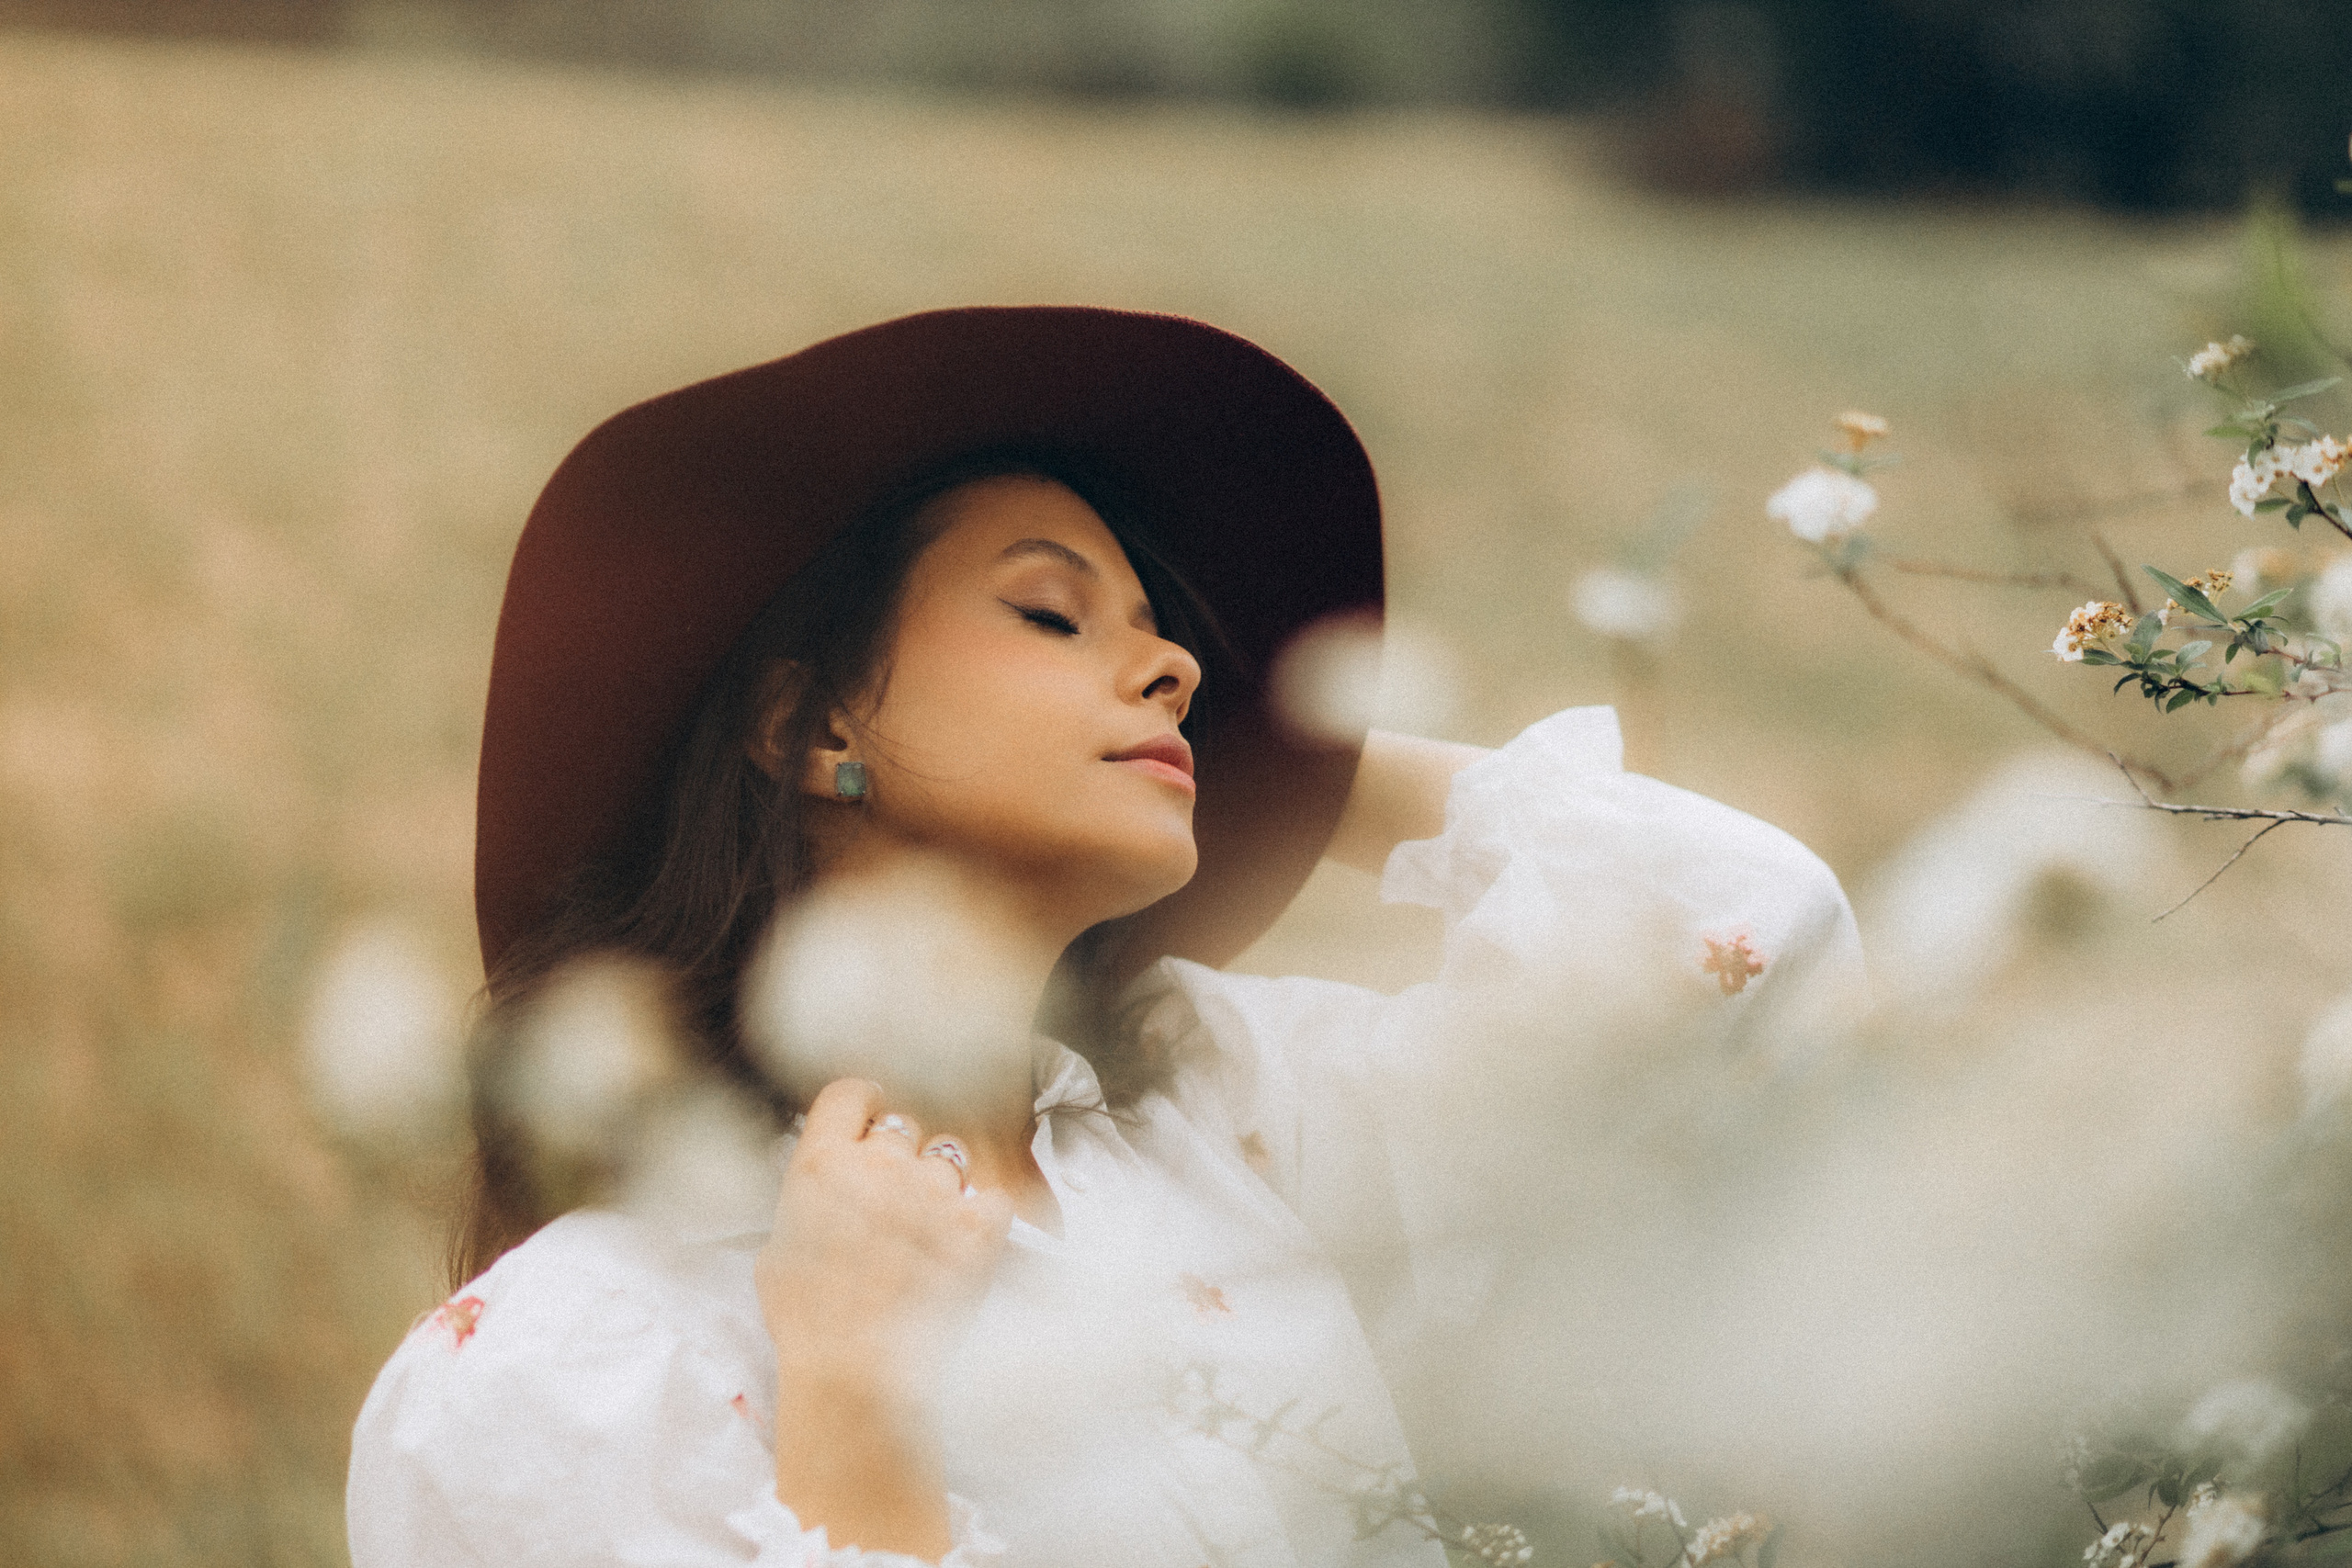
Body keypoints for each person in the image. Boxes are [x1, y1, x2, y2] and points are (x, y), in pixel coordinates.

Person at [346, 306, 1863, 1567]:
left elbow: (1741, 942)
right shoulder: (568, 1373)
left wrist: (1300, 756)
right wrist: (855, 1409)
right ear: (808, 722)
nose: (1179, 666)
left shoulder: (1236, 1120)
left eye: (1166, 635)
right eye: (1053, 616)